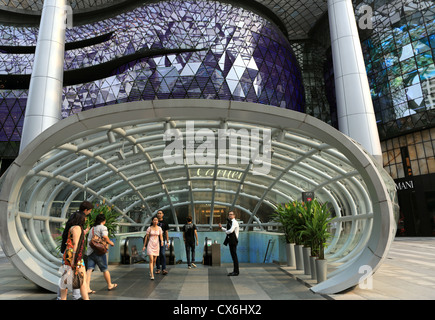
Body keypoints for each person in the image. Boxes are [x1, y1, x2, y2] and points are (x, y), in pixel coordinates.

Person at [57, 201, 93, 300]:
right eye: (85, 218)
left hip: (68, 255)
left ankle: (63, 299)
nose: (85, 219)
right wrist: (74, 260)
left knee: (67, 280)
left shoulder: (73, 227)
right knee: (81, 280)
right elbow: (76, 245)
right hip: (74, 257)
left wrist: (84, 233)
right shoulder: (77, 228)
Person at [85, 213, 117, 293]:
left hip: (90, 251)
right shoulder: (103, 227)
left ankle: (87, 288)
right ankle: (110, 284)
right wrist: (111, 243)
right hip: (99, 252)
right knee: (105, 269)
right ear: (103, 220)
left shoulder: (92, 228)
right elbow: (105, 237)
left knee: (89, 270)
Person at [219, 211, 239, 276]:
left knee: (234, 256)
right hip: (231, 240)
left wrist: (226, 231)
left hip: (233, 240)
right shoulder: (231, 222)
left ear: (234, 215)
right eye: (229, 214)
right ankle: (235, 270)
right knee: (233, 256)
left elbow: (231, 231)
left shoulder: (234, 222)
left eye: (231, 214)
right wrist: (221, 228)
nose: (230, 215)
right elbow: (228, 230)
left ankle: (236, 271)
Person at [155, 210, 169, 275]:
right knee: (157, 255)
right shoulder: (154, 222)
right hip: (155, 240)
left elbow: (166, 232)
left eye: (160, 213)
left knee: (162, 254)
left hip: (162, 240)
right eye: (158, 213)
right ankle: (158, 268)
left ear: (163, 214)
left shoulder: (165, 222)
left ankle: (164, 268)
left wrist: (167, 241)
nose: (159, 214)